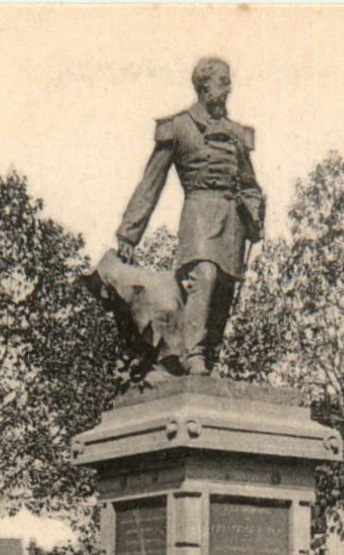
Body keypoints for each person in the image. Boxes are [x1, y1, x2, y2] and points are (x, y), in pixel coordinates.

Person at [113, 57, 265, 379]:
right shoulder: (180, 126)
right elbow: (151, 183)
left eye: (229, 81)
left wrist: (254, 214)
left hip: (231, 221)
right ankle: (192, 354)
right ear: (204, 85)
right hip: (198, 213)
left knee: (224, 288)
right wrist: (129, 234)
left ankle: (209, 357)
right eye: (223, 81)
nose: (228, 88)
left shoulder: (237, 134)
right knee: (205, 276)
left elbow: (250, 184)